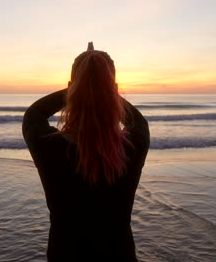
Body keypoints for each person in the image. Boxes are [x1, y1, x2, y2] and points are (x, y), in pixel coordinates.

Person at [22, 42, 150, 261]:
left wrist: (80, 86)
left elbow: (34, 114)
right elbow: (138, 121)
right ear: (114, 90)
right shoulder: (133, 145)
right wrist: (101, 86)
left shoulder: (48, 146)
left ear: (71, 87)